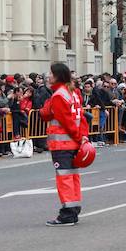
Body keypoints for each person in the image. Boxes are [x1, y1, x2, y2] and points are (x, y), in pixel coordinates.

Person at [39, 62, 89, 227]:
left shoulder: (59, 95)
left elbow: (63, 120)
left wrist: (77, 136)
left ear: (58, 76)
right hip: (73, 143)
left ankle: (67, 214)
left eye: (51, 74)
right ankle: (73, 210)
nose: (49, 76)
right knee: (72, 177)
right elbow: (80, 118)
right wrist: (83, 137)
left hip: (63, 144)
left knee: (64, 178)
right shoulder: (73, 93)